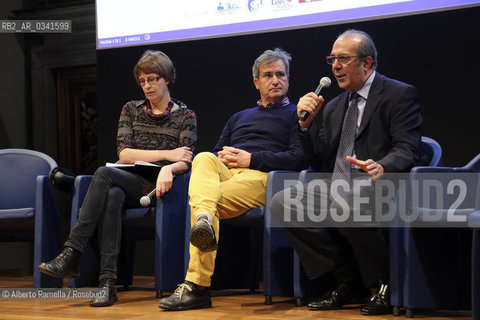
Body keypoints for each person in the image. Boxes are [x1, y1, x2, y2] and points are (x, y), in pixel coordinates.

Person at [269, 29, 426, 316]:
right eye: (332, 59)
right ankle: (346, 280)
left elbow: (408, 148)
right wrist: (305, 127)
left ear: (367, 63)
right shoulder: (333, 106)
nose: (335, 66)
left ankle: (385, 282)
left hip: (381, 183)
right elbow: (318, 159)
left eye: (343, 59)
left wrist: (383, 165)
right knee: (283, 201)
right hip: (336, 184)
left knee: (349, 200)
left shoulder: (398, 94)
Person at [38, 50, 197, 307]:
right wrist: (168, 153)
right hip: (127, 179)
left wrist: (169, 167)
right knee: (112, 194)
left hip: (158, 187)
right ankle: (107, 284)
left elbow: (186, 159)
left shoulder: (185, 116)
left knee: (103, 175)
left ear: (166, 78)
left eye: (152, 79)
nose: (146, 85)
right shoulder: (131, 110)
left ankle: (72, 252)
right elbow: (124, 154)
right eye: (142, 81)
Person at [158, 48, 309, 311]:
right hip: (229, 173)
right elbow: (218, 153)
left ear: (288, 78)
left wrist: (251, 159)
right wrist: (225, 158)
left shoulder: (298, 115)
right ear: (256, 82)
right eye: (268, 75)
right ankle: (205, 220)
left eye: (281, 74)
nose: (275, 80)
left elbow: (298, 159)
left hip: (265, 178)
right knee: (204, 158)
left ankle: (197, 286)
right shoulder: (239, 117)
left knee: (202, 202)